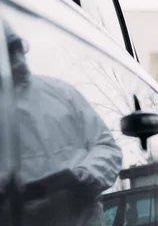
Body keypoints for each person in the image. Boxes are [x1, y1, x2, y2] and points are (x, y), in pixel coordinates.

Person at [2, 22, 123, 226]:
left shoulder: (62, 93)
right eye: (7, 50)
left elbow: (107, 147)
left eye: (15, 47)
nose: (15, 56)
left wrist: (86, 173)